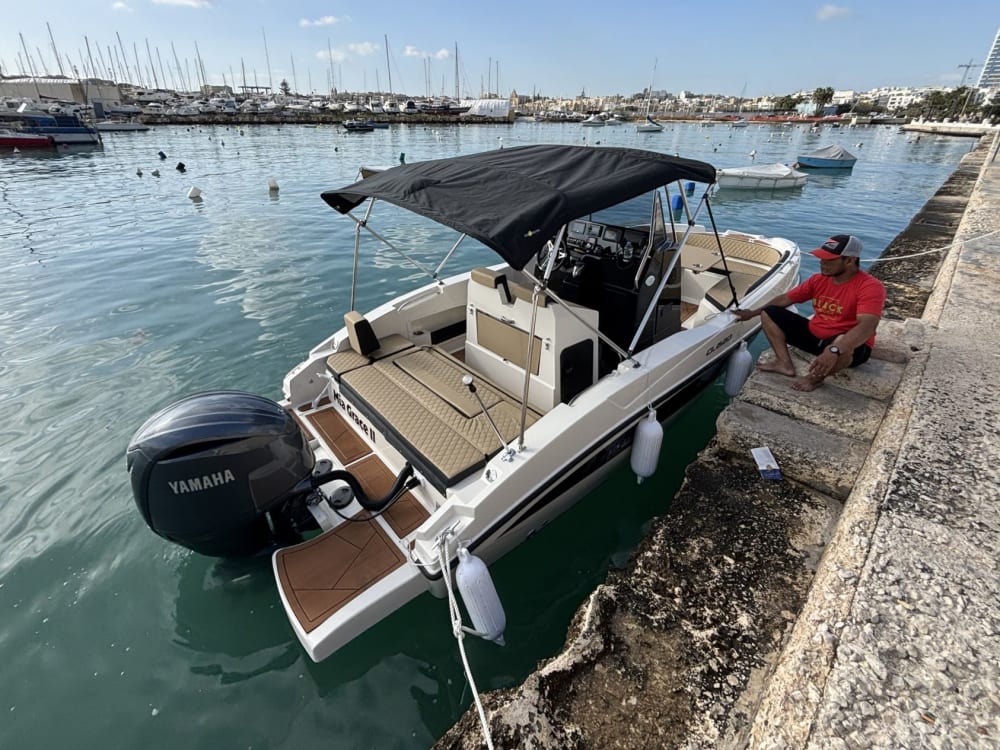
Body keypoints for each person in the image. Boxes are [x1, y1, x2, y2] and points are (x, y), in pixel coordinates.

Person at [732, 234, 886, 392]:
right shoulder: (818, 280)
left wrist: (835, 349)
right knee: (769, 312)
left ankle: (814, 379)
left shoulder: (870, 287)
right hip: (816, 337)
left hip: (847, 346)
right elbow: (785, 299)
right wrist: (752, 313)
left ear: (850, 260)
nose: (822, 263)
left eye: (829, 260)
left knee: (842, 343)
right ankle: (784, 363)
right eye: (822, 258)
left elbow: (868, 326)